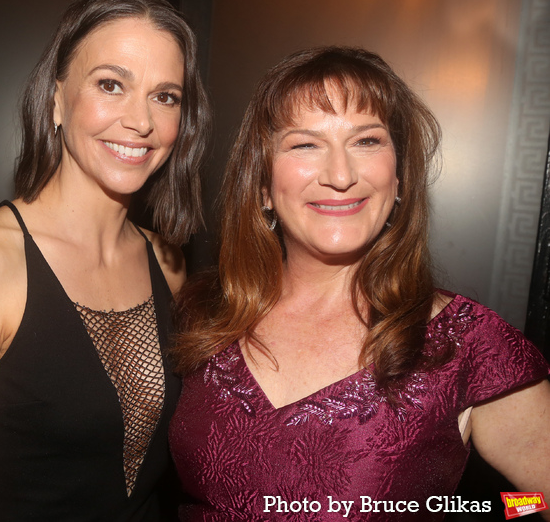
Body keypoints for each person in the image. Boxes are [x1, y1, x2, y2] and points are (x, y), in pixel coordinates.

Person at [168, 46, 550, 521]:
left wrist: (482, 511)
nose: (340, 175)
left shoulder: (469, 345)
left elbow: (540, 497)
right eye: (304, 144)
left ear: (400, 178)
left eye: (366, 141)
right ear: (263, 186)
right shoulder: (203, 313)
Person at [0, 0, 210, 521]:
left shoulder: (170, 263)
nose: (140, 121)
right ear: (55, 98)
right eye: (111, 85)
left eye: (165, 96)